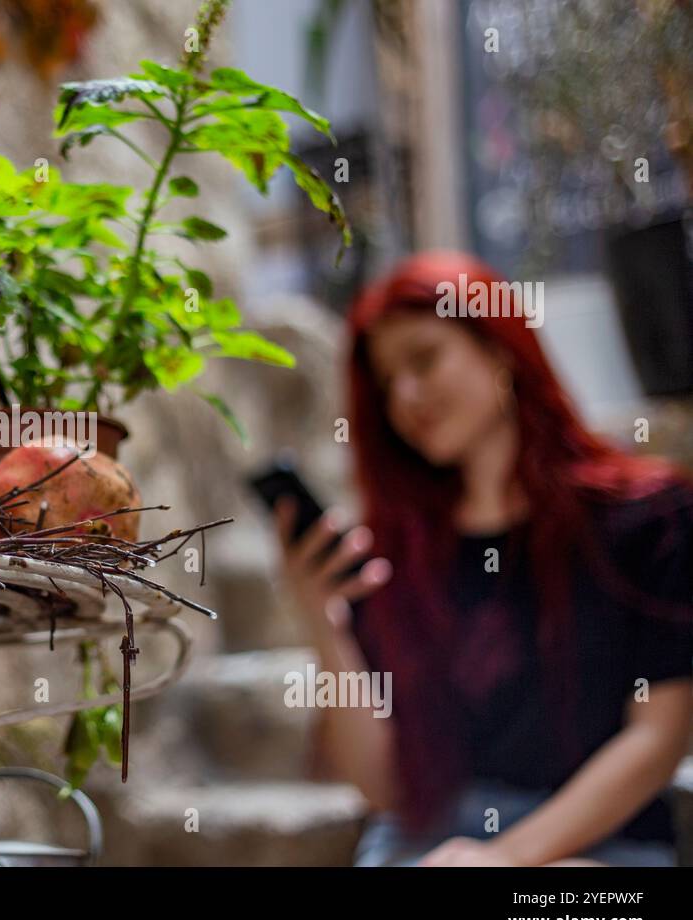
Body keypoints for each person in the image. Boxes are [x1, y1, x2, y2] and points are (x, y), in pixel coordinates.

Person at [275, 251, 693, 866]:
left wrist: (505, 858)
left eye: (424, 359)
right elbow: (385, 785)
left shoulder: (645, 516)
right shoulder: (395, 557)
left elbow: (658, 738)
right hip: (426, 843)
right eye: (389, 383)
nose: (407, 396)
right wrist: (320, 620)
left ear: (498, 347)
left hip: (599, 848)